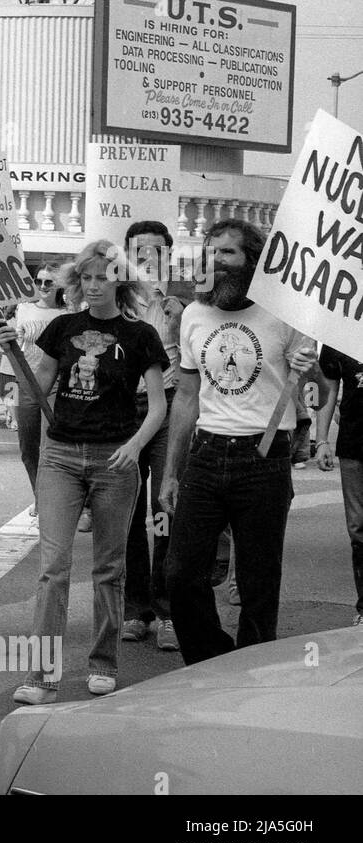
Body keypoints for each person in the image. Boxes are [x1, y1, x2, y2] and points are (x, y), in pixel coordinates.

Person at [0, 240, 168, 704]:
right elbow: (38, 388)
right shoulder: (63, 328)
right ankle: (41, 675)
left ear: (120, 282)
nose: (93, 286)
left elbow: (158, 405)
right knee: (52, 567)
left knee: (109, 568)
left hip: (116, 458)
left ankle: (103, 662)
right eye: (86, 278)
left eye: (102, 277)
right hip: (61, 458)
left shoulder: (140, 336)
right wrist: (13, 353)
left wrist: (135, 446)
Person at [160, 219, 318, 665]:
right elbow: (187, 397)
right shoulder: (194, 315)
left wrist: (309, 366)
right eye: (210, 253)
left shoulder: (285, 314)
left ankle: (251, 671)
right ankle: (211, 660)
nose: (216, 262)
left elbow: (319, 389)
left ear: (252, 261)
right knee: (181, 574)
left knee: (258, 581)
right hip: (206, 455)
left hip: (264, 456)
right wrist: (171, 472)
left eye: (227, 254)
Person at [120, 220, 184, 651]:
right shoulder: (115, 301)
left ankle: (166, 612)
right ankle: (134, 610)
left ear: (168, 254)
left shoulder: (185, 302)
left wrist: (183, 319)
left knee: (166, 507)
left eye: (155, 249)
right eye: (138, 248)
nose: (146, 255)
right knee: (125, 511)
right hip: (125, 412)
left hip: (172, 409)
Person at [312, 345, 363, 627]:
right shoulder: (340, 330)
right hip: (355, 444)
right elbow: (328, 388)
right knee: (358, 529)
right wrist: (321, 440)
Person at [13, 264, 67, 499]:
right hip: (25, 383)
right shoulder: (23, 308)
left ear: (58, 286)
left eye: (48, 282)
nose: (43, 286)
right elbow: (14, 348)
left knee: (49, 448)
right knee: (27, 447)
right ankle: (38, 493)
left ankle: (48, 498)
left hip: (55, 387)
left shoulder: (66, 315)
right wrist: (11, 387)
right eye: (38, 281)